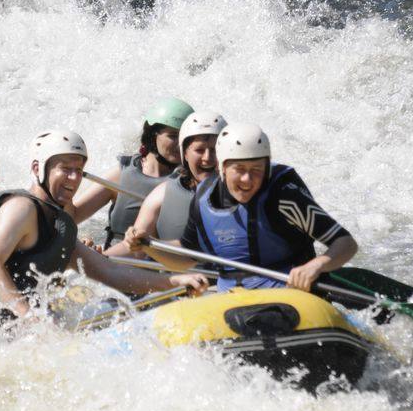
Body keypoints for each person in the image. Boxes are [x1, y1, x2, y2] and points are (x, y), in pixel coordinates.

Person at [0, 129, 209, 319]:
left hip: (16, 331)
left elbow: (110, 272)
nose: (74, 178)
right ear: (37, 168)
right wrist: (29, 318)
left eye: (79, 170)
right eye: (65, 169)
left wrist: (173, 282)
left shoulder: (59, 223)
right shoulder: (21, 208)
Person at [124, 123, 358, 292]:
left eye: (256, 170)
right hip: (233, 299)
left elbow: (345, 243)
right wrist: (149, 246)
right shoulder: (205, 198)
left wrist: (316, 266)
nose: (247, 180)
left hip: (291, 295)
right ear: (222, 168)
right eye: (239, 170)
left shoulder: (283, 195)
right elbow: (187, 255)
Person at [70, 97, 194, 248]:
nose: (179, 144)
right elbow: (72, 216)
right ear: (153, 135)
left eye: (184, 137)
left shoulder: (191, 181)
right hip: (113, 264)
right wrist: (84, 241)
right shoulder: (121, 175)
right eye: (173, 136)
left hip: (163, 266)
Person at [104, 110, 226, 257]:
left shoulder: (245, 193)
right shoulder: (162, 194)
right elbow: (134, 252)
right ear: (185, 154)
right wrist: (95, 259)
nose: (208, 158)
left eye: (215, 150)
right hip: (175, 278)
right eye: (199, 150)